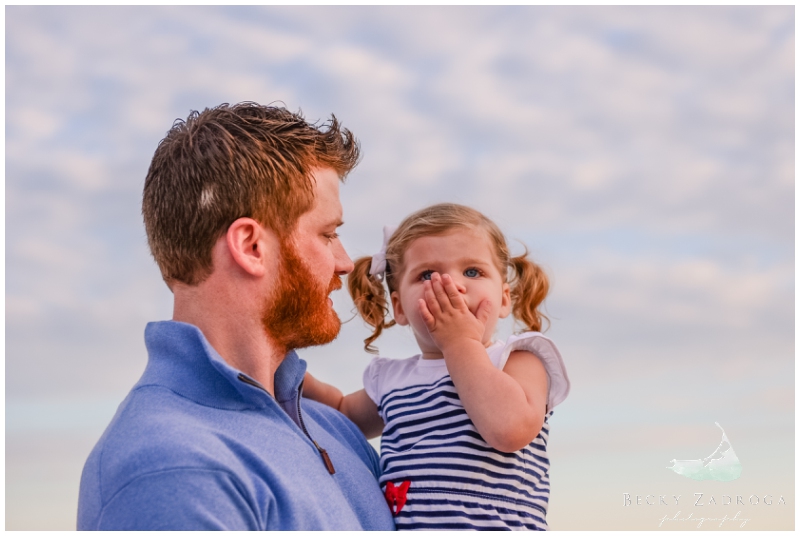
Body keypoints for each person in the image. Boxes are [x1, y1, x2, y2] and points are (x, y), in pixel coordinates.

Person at [77, 102, 395, 530]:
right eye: (328, 234)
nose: (343, 262)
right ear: (250, 246)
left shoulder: (334, 430)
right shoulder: (172, 469)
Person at [303, 203, 571, 530]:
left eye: (472, 271)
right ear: (400, 308)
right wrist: (288, 372)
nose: (452, 286)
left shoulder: (518, 359)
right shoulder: (391, 379)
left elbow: (509, 430)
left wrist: (460, 344)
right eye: (427, 275)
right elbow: (341, 415)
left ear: (504, 299)